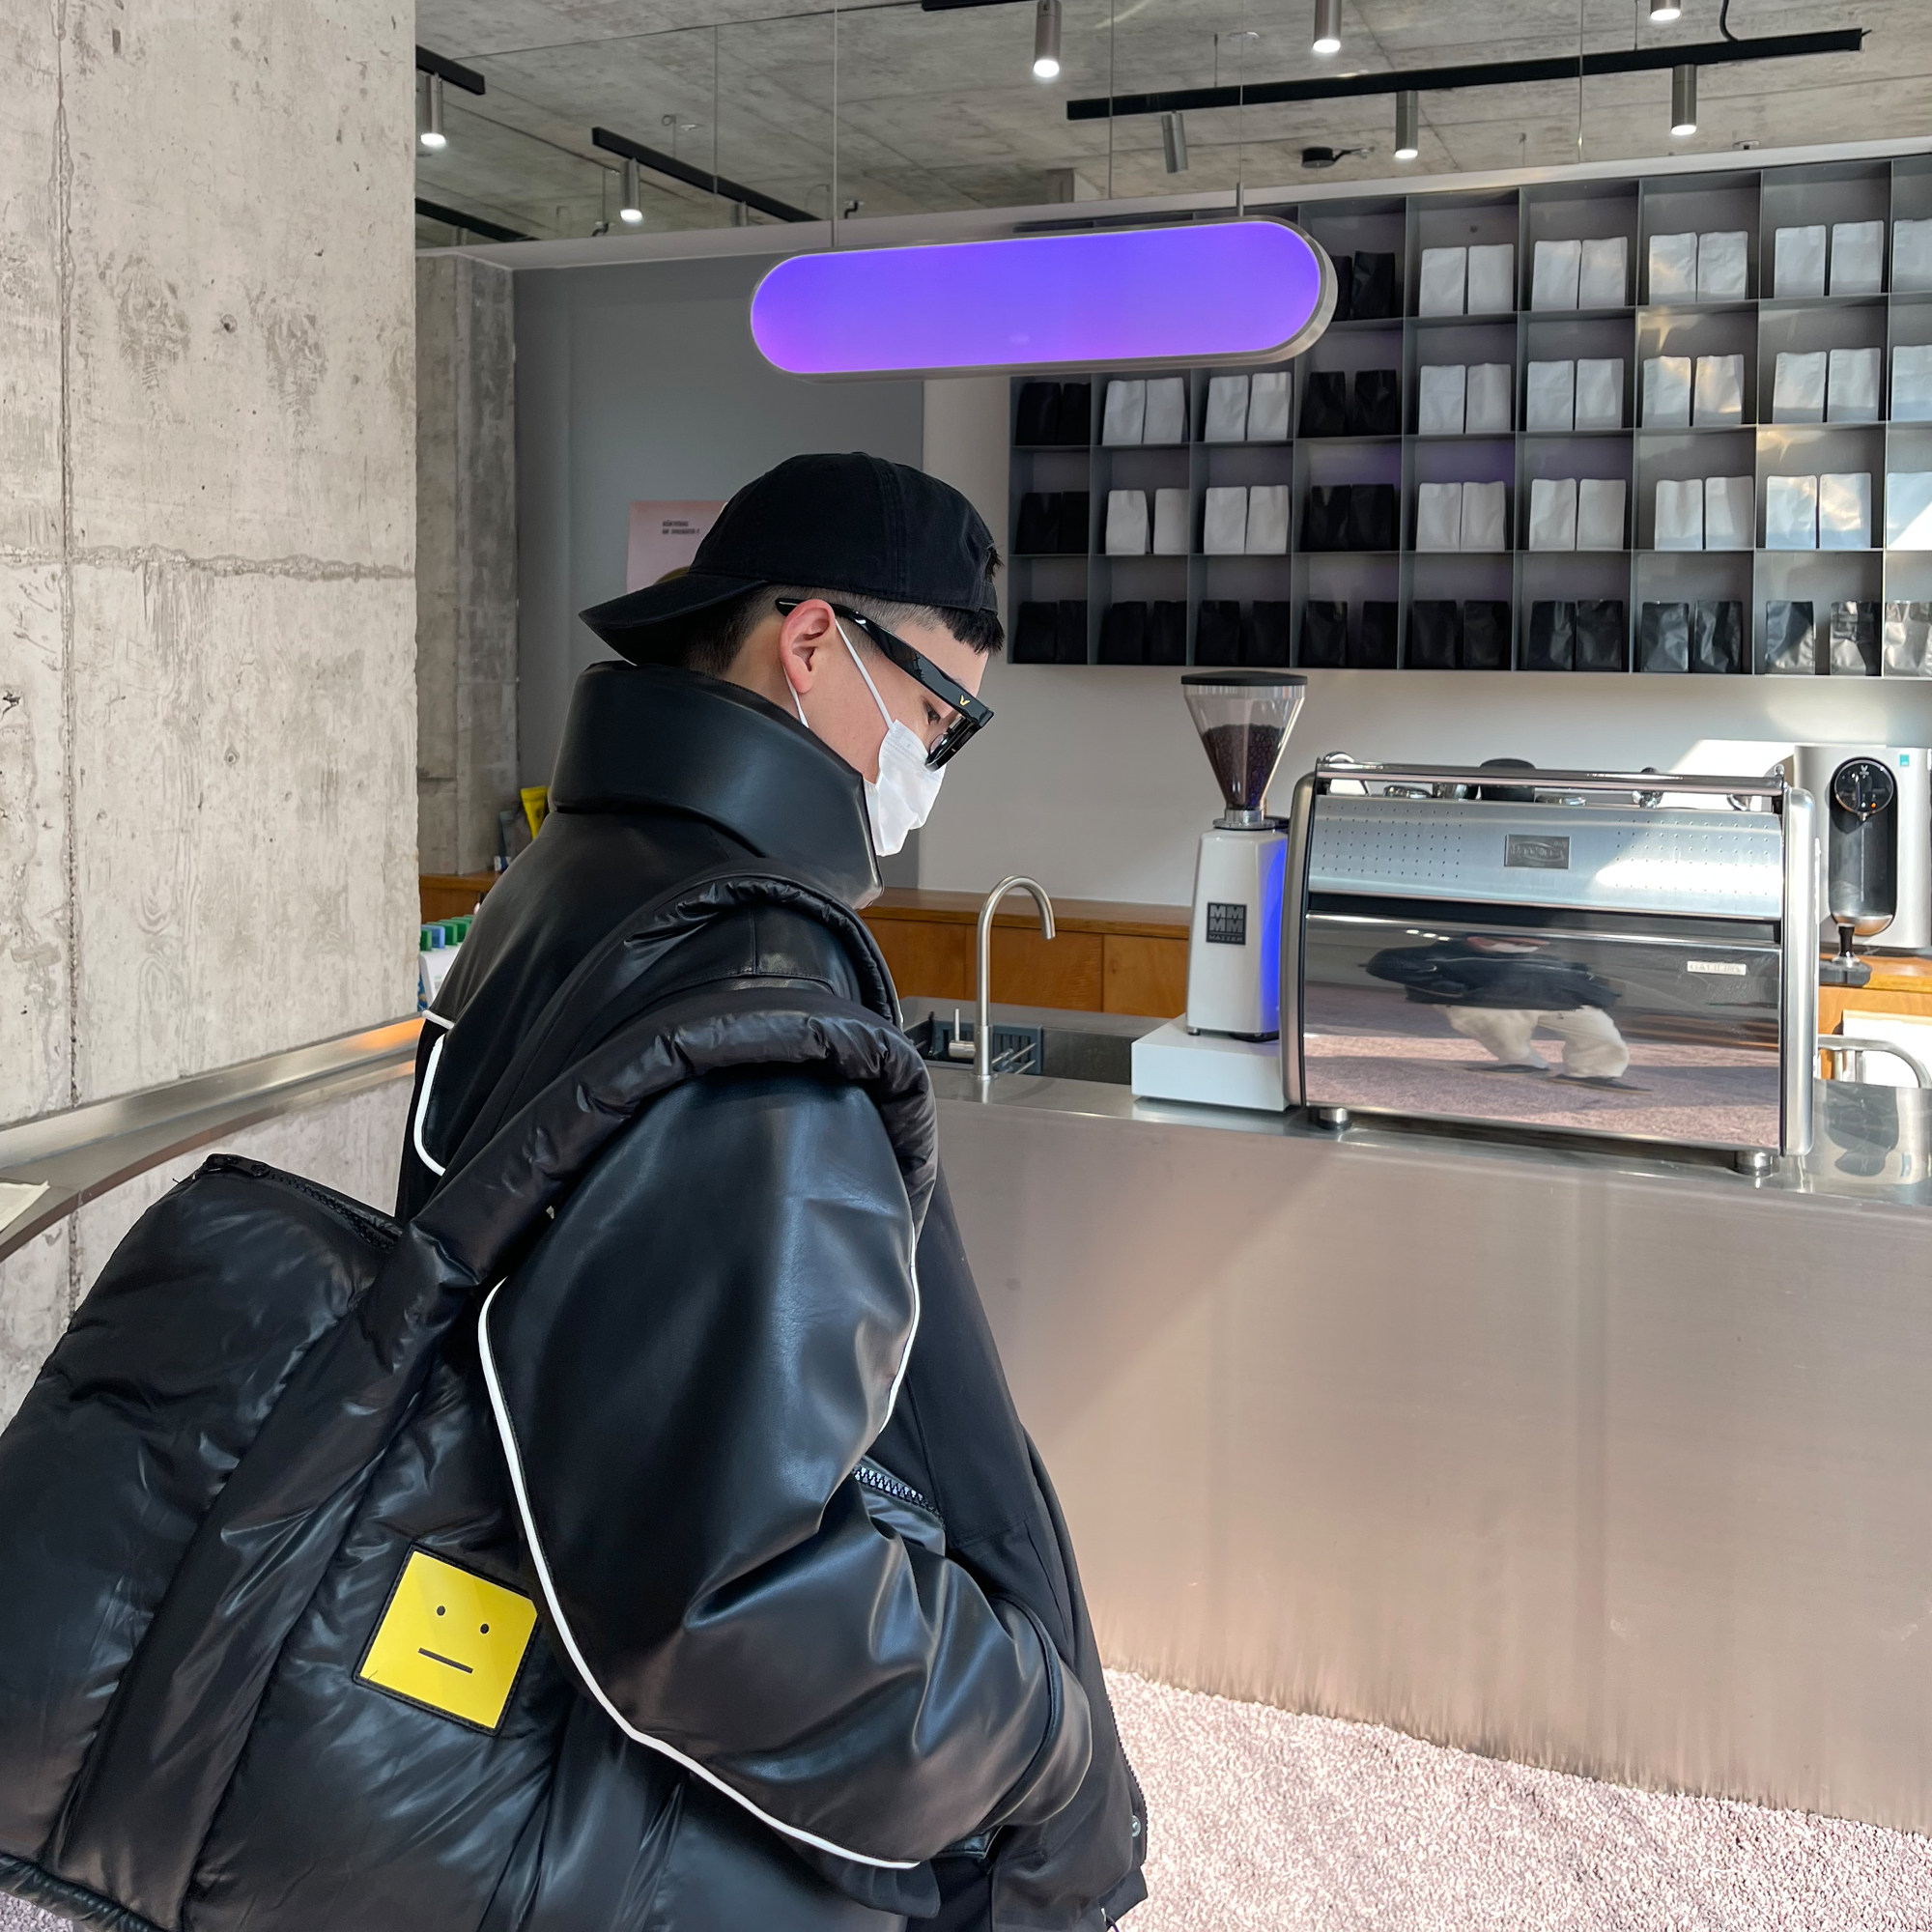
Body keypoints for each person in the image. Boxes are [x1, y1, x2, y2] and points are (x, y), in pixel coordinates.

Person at [397, 452, 1147, 1931]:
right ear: (811, 644)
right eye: (940, 716)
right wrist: (1042, 1744)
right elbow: (725, 1590)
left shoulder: (570, 878)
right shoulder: (755, 975)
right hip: (754, 1838)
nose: (933, 762)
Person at [1364, 931, 1632, 1083]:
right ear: (1478, 939)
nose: (1528, 949)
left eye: (1533, 945)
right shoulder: (1442, 954)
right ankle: (1521, 1061)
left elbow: (1583, 979)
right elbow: (1385, 964)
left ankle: (1595, 1072)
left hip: (1559, 1002)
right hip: (1490, 1003)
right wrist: (1458, 992)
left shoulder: (1549, 960)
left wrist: (1599, 996)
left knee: (1599, 1030)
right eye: (1521, 944)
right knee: (1496, 1025)